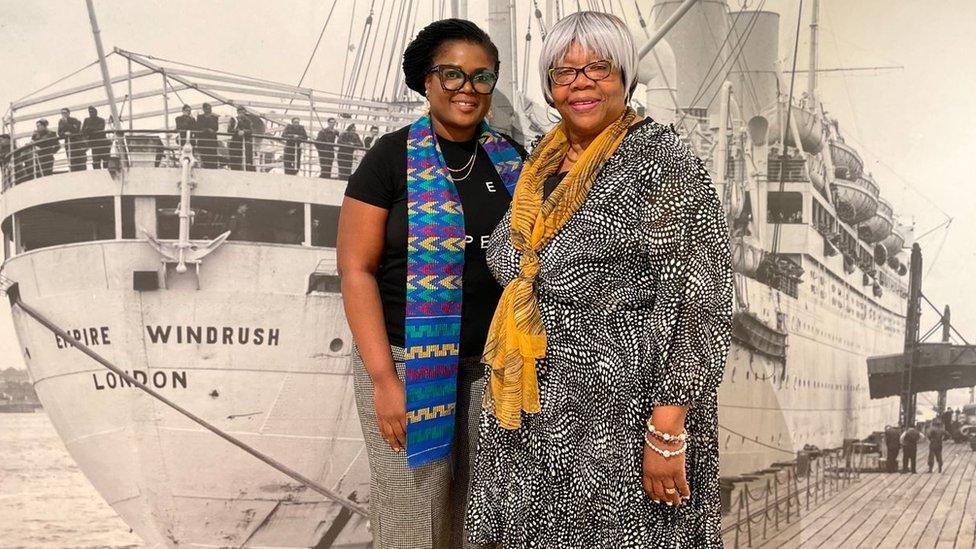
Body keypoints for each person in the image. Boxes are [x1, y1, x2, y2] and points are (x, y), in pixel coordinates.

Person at [464, 12, 734, 548]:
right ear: (549, 86)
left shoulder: (661, 160)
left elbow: (704, 301)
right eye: (564, 72)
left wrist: (667, 426)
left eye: (598, 67)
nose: (580, 82)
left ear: (626, 77)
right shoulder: (542, 165)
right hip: (535, 422)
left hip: (621, 425)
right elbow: (512, 259)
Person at [337, 18, 525, 549]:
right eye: (452, 74)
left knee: (483, 523)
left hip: (491, 369)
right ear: (426, 80)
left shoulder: (511, 161)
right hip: (406, 363)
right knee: (412, 523)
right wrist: (383, 380)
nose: (467, 88)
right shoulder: (389, 160)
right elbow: (356, 270)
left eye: (481, 76)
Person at [227, 105, 255, 171]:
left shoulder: (248, 121)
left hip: (244, 144)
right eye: (240, 112)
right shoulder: (233, 119)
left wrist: (244, 131)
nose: (241, 114)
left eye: (243, 112)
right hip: (235, 143)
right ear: (237, 112)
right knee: (234, 160)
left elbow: (251, 131)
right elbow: (229, 130)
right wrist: (237, 131)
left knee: (244, 160)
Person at [196, 103, 220, 169]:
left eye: (210, 108)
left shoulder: (214, 117)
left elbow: (216, 128)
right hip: (203, 142)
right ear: (203, 109)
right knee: (204, 160)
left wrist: (209, 120)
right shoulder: (200, 117)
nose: (209, 110)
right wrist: (207, 129)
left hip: (212, 142)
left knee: (213, 161)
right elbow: (198, 127)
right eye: (207, 108)